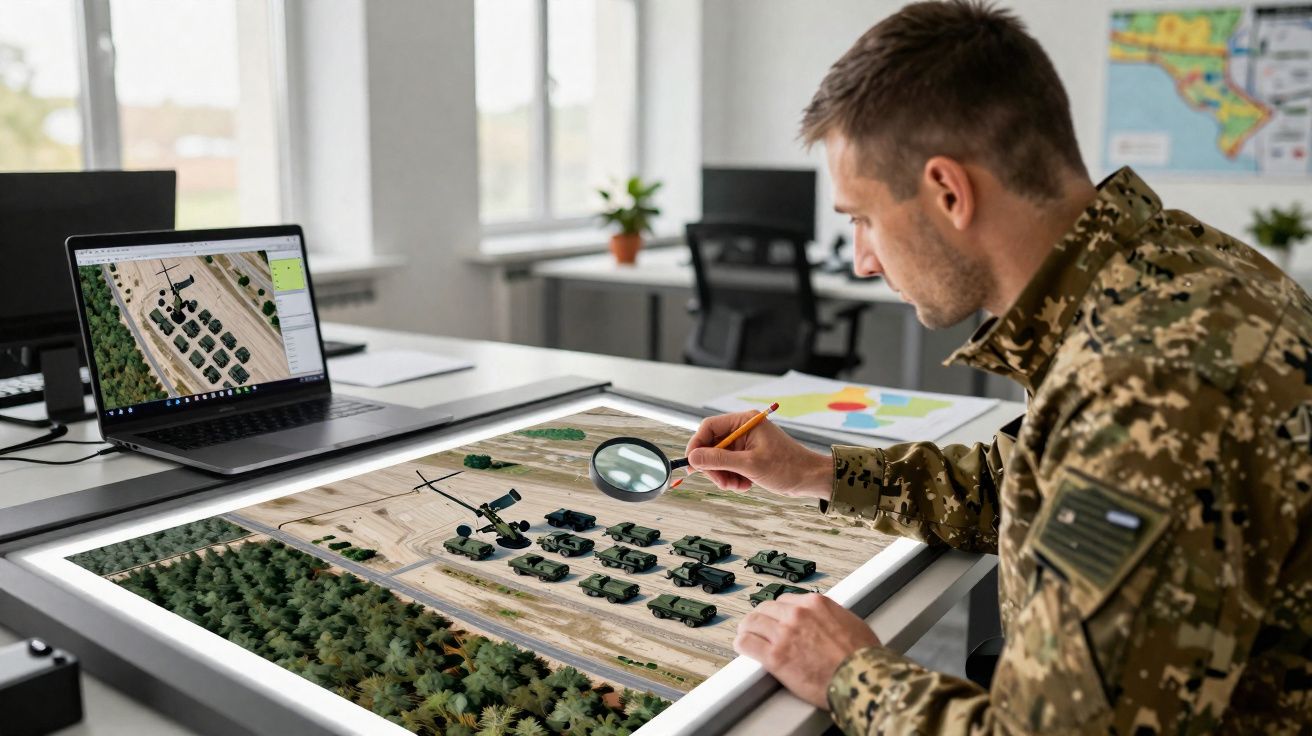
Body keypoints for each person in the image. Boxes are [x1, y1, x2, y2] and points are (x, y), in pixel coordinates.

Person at [684, 1, 1312, 733]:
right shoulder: (1167, 269)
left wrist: (851, 674)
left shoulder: (1146, 386)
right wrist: (815, 472)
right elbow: (1026, 484)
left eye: (863, 219)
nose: (861, 260)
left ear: (949, 193)